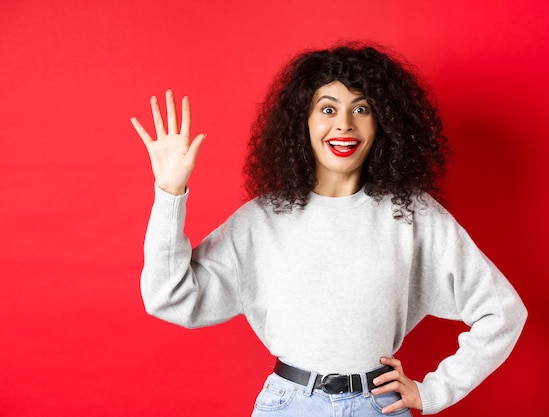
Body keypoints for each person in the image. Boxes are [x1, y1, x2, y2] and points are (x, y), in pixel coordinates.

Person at [131, 42, 527, 416]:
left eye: (361, 109)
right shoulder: (262, 220)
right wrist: (170, 191)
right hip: (290, 406)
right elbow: (170, 298)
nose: (343, 125)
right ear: (302, 120)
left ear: (382, 123)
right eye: (327, 109)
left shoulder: (412, 215)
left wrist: (434, 391)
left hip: (379, 406)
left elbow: (502, 311)